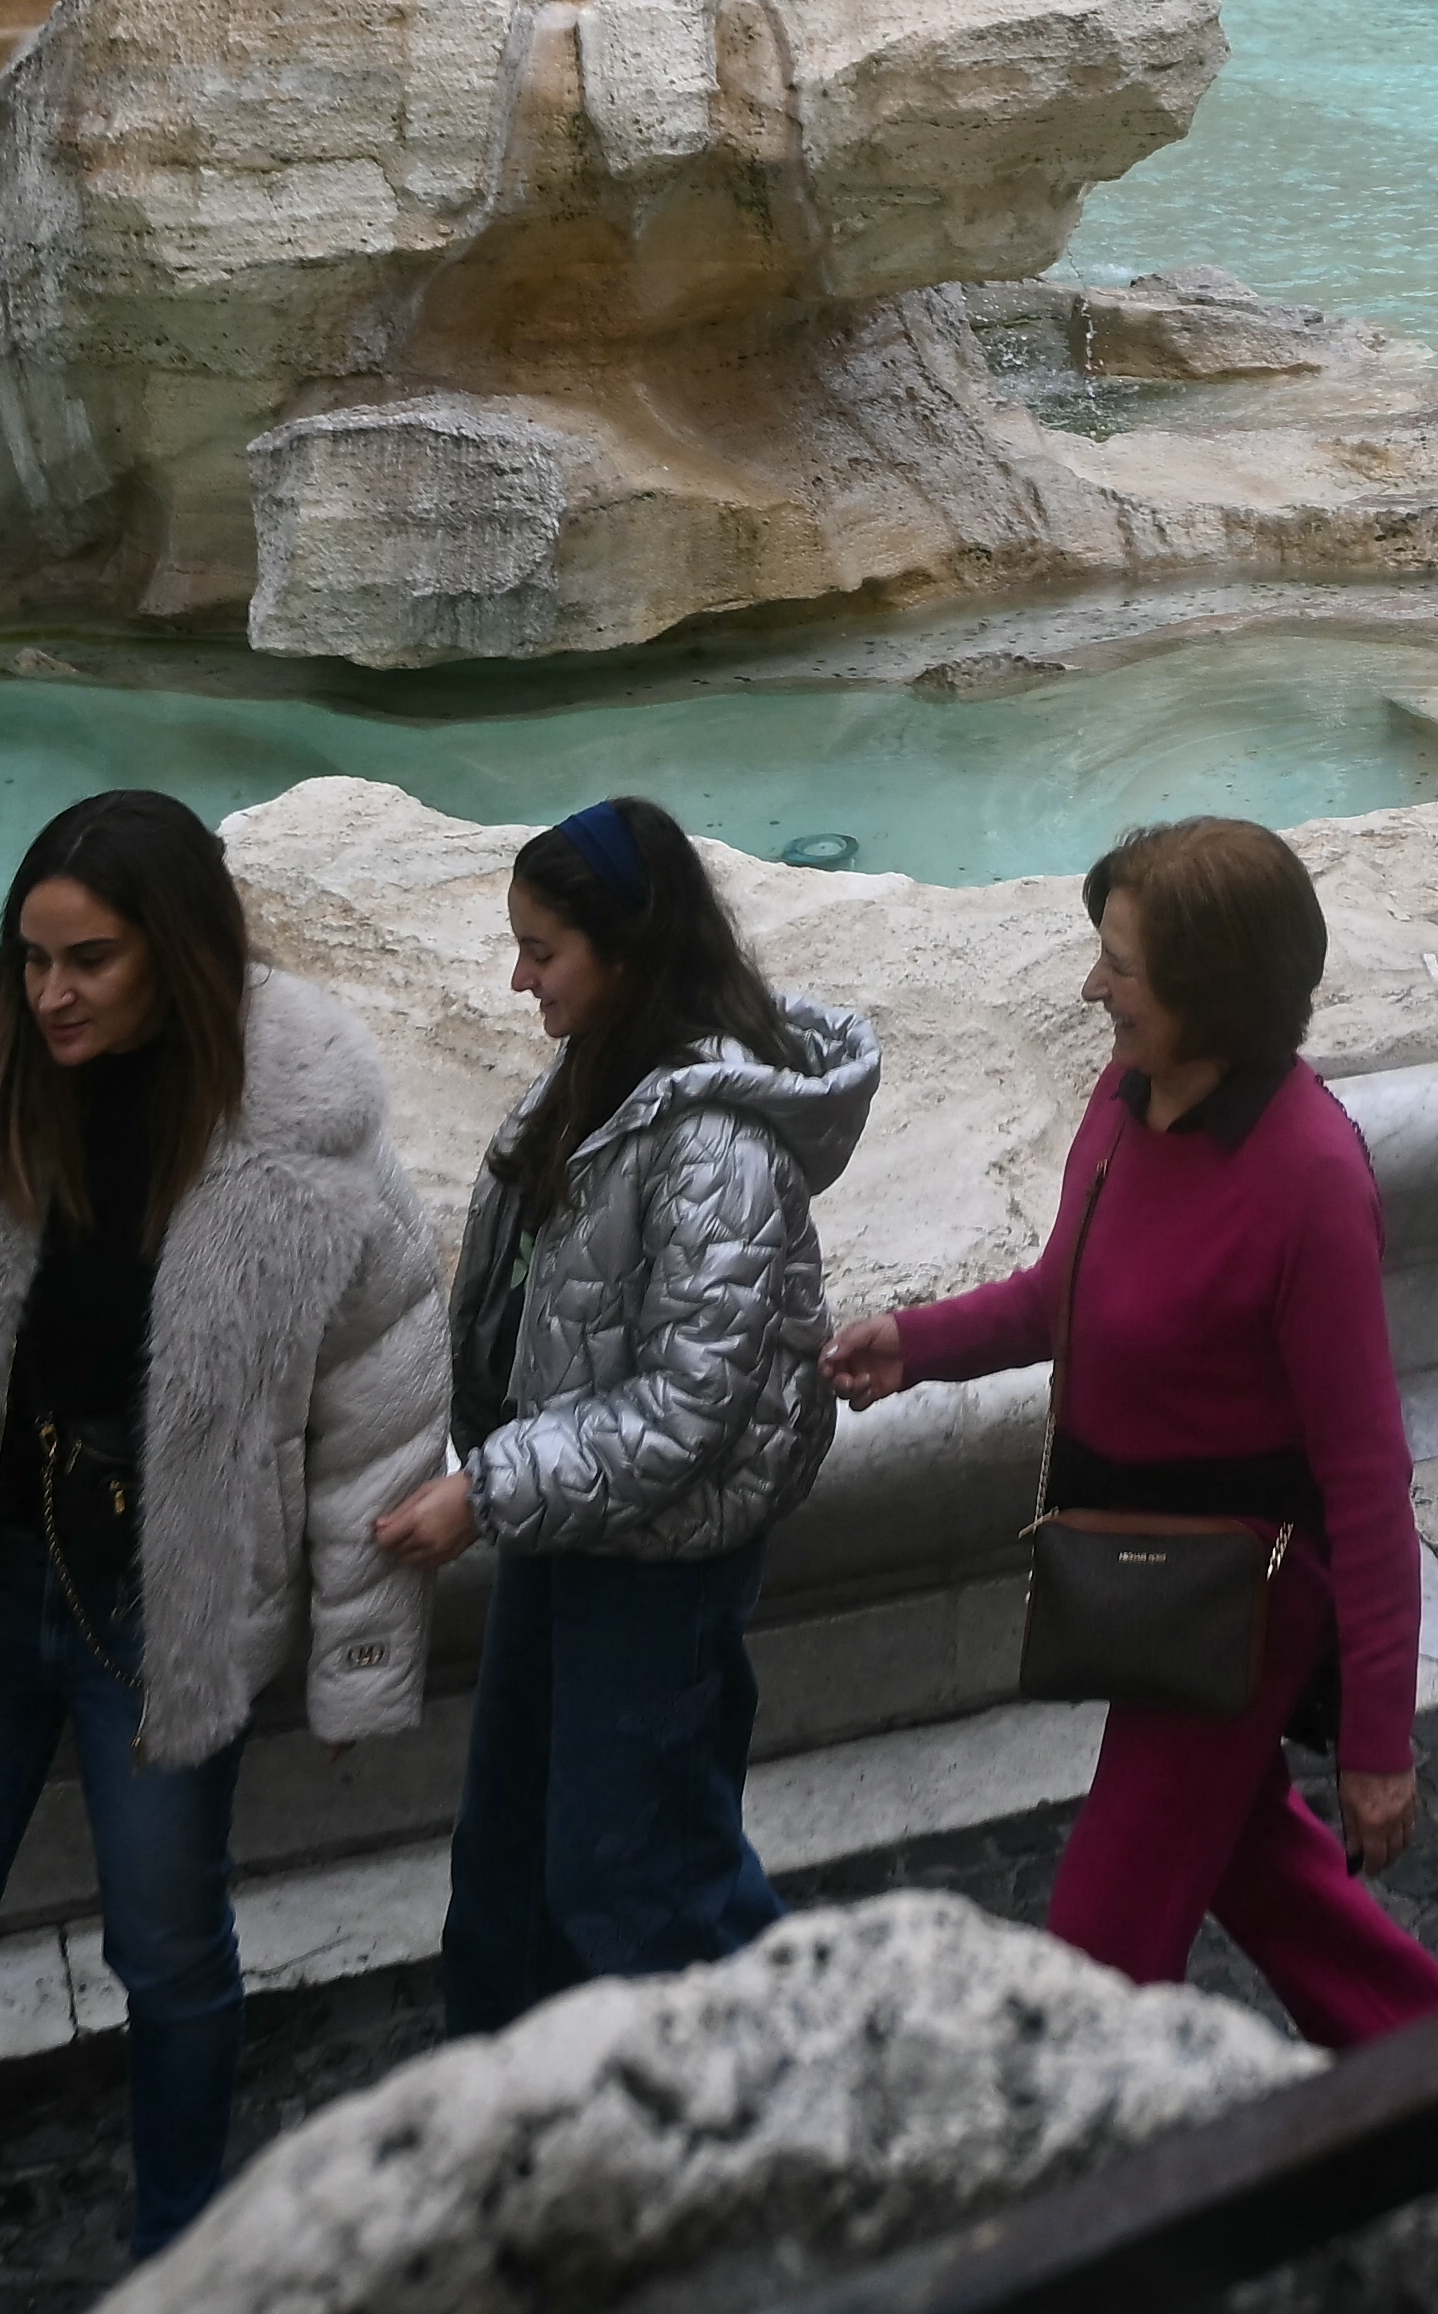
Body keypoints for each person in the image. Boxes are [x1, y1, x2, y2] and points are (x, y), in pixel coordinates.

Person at [0, 791, 448, 2304]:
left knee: (175, 1960)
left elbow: (384, 1390)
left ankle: (183, 2264)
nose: (50, 994)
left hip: (169, 1607)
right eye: (29, 960)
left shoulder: (301, 1134)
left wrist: (352, 1652)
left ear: (176, 955)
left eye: (89, 961)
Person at [832, 824, 1438, 2041]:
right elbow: (1057, 1292)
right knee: (1250, 1861)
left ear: (1212, 985)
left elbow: (1371, 1481)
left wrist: (1381, 1742)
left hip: (1240, 1603)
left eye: (1119, 965)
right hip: (1153, 1571)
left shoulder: (1312, 1176)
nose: (1090, 987)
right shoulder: (1124, 1099)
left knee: (1096, 1965)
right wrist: (915, 1344)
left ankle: (1087, 2196)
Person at [383, 800, 866, 2024]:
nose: (517, 975)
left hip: (658, 1557)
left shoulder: (713, 1143)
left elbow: (683, 1407)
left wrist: (486, 1487)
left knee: (643, 1875)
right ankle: (520, 2110)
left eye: (543, 949)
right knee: (514, 1846)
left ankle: (785, 2086)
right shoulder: (601, 1073)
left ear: (629, 948)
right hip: (572, 1524)